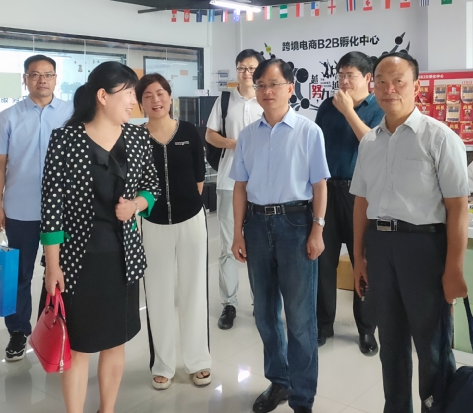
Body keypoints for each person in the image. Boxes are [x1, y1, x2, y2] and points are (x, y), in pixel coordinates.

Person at [351, 52, 469, 413]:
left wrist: (454, 268)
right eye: (382, 81)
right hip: (380, 246)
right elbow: (361, 202)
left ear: (416, 86)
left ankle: (438, 408)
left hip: (425, 248)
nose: (389, 89)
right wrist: (359, 258)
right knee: (391, 343)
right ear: (373, 86)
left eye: (398, 81)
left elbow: (458, 207)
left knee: (432, 345)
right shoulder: (369, 142)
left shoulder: (439, 138)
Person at [41, 61, 159, 413]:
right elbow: (52, 207)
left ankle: (106, 409)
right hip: (77, 261)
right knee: (78, 346)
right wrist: (52, 266)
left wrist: (136, 205)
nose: (134, 101)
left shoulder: (138, 138)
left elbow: (152, 187)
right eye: (129, 93)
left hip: (123, 259)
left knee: (115, 342)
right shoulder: (66, 139)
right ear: (103, 96)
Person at [231, 58, 330, 413]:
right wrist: (238, 232)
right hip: (256, 225)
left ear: (290, 88)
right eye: (260, 85)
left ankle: (303, 398)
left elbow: (320, 185)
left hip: (296, 224)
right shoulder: (248, 135)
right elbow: (240, 187)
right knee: (264, 314)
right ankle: (279, 381)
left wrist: (317, 228)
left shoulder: (309, 131)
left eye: (273, 84)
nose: (266, 91)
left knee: (300, 318)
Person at [0, 54, 73, 361]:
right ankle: (18, 332)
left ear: (56, 78)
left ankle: (52, 328)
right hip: (20, 210)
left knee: (58, 271)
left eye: (48, 74)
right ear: (25, 79)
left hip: (63, 211)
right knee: (19, 275)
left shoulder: (72, 114)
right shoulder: (8, 117)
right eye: (35, 75)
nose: (42, 80)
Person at [137, 73, 211, 390]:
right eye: (148, 95)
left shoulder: (189, 131)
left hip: (191, 221)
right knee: (158, 293)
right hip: (153, 224)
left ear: (170, 97)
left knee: (194, 290)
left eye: (161, 93)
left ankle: (198, 361)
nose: (156, 100)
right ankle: (163, 364)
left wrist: (186, 206)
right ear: (140, 103)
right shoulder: (135, 137)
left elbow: (199, 177)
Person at [314, 51, 382, 355]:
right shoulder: (327, 107)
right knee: (323, 261)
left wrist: (349, 112)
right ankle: (323, 324)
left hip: (361, 195)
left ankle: (366, 329)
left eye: (350, 75)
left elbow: (373, 145)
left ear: (367, 78)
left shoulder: (377, 108)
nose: (343, 81)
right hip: (327, 191)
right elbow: (316, 147)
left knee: (363, 261)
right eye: (340, 75)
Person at [206, 48, 265, 330]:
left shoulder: (267, 98)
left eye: (252, 68)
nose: (246, 73)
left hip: (263, 185)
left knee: (260, 247)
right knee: (229, 246)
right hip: (230, 182)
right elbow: (210, 135)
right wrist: (235, 143)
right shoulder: (225, 100)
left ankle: (260, 302)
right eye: (242, 68)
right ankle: (229, 304)